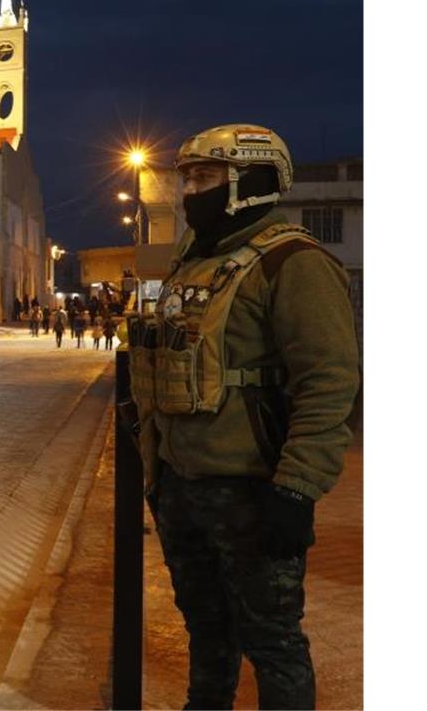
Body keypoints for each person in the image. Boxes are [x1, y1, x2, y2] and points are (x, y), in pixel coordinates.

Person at [129, 124, 359, 709]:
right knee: (207, 628)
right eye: (186, 179)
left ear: (249, 182)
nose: (189, 192)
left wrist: (298, 489)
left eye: (204, 177)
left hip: (253, 494)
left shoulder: (294, 263)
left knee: (273, 641)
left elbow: (329, 384)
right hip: (182, 486)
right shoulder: (193, 262)